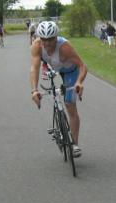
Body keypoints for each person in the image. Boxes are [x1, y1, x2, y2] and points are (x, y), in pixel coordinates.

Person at [29, 21, 88, 157]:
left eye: (50, 39)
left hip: (69, 71)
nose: (47, 43)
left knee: (69, 103)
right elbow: (34, 68)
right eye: (44, 39)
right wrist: (34, 90)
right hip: (53, 67)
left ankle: (74, 144)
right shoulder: (37, 45)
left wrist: (79, 82)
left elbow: (82, 66)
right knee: (52, 90)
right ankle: (58, 120)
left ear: (56, 37)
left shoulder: (64, 47)